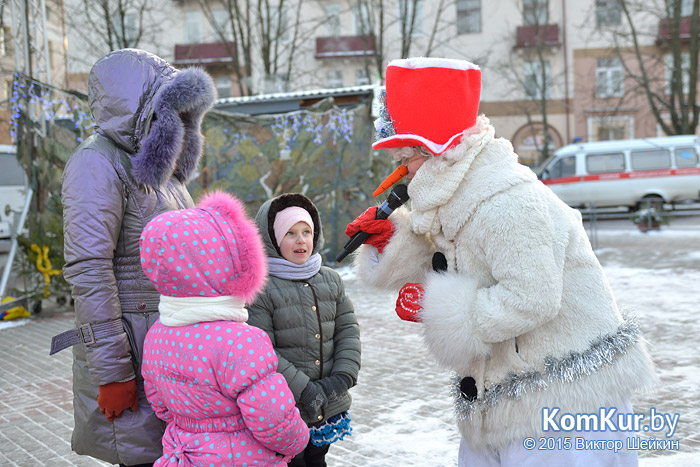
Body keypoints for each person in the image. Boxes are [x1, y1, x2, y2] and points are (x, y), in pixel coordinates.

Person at [348, 57, 656, 466]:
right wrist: (397, 244)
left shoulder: (507, 200)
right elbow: (465, 259)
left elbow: (532, 296)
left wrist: (444, 312)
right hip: (503, 398)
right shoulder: (460, 193)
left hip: (565, 404)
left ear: (440, 151)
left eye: (407, 158)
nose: (401, 172)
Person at [52, 48, 216, 466]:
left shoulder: (164, 175)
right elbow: (90, 271)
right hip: (132, 348)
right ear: (142, 109)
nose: (179, 122)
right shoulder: (97, 162)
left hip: (171, 346)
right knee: (143, 456)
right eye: (170, 109)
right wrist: (112, 373)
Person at [139, 191, 310, 466]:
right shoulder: (242, 342)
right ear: (225, 263)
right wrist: (298, 440)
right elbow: (272, 418)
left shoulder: (157, 334)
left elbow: (160, 403)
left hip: (183, 452)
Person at [247, 193, 361, 467]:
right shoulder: (261, 288)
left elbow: (348, 329)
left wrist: (343, 376)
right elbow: (263, 351)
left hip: (328, 402)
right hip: (287, 406)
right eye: (290, 233)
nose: (301, 240)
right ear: (273, 240)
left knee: (317, 460)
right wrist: (305, 390)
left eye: (306, 232)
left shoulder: (330, 280)